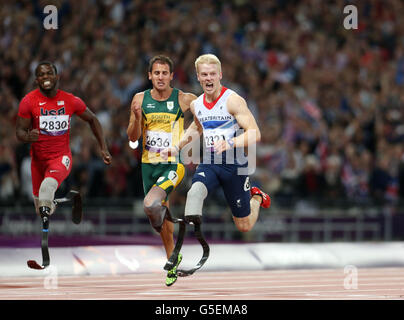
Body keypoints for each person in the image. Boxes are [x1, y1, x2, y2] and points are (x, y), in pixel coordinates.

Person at [161, 53, 270, 237]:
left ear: (220, 75)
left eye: (212, 74)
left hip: (235, 164)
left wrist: (230, 143)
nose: (208, 78)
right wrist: (177, 147)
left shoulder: (233, 100)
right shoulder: (197, 105)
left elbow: (255, 133)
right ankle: (189, 240)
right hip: (210, 161)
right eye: (204, 75)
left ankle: (257, 197)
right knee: (194, 192)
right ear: (198, 77)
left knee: (244, 225)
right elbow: (196, 127)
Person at [16, 61, 112, 241]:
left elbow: (92, 119)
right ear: (36, 80)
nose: (45, 77)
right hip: (37, 161)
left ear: (56, 76)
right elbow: (19, 131)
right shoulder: (28, 102)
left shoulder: (70, 100)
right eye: (41, 75)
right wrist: (28, 136)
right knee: (42, 209)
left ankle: (46, 239)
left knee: (47, 188)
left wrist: (103, 147)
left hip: (60, 158)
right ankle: (67, 200)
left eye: (49, 73)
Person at [126, 55, 196, 286]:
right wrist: (137, 118)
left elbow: (203, 117)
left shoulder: (183, 98)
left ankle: (161, 219)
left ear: (171, 76)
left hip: (174, 164)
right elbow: (132, 137)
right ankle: (172, 259)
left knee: (150, 204)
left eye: (165, 73)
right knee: (160, 219)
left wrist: (185, 142)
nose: (160, 77)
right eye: (156, 73)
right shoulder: (139, 99)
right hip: (149, 166)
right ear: (150, 76)